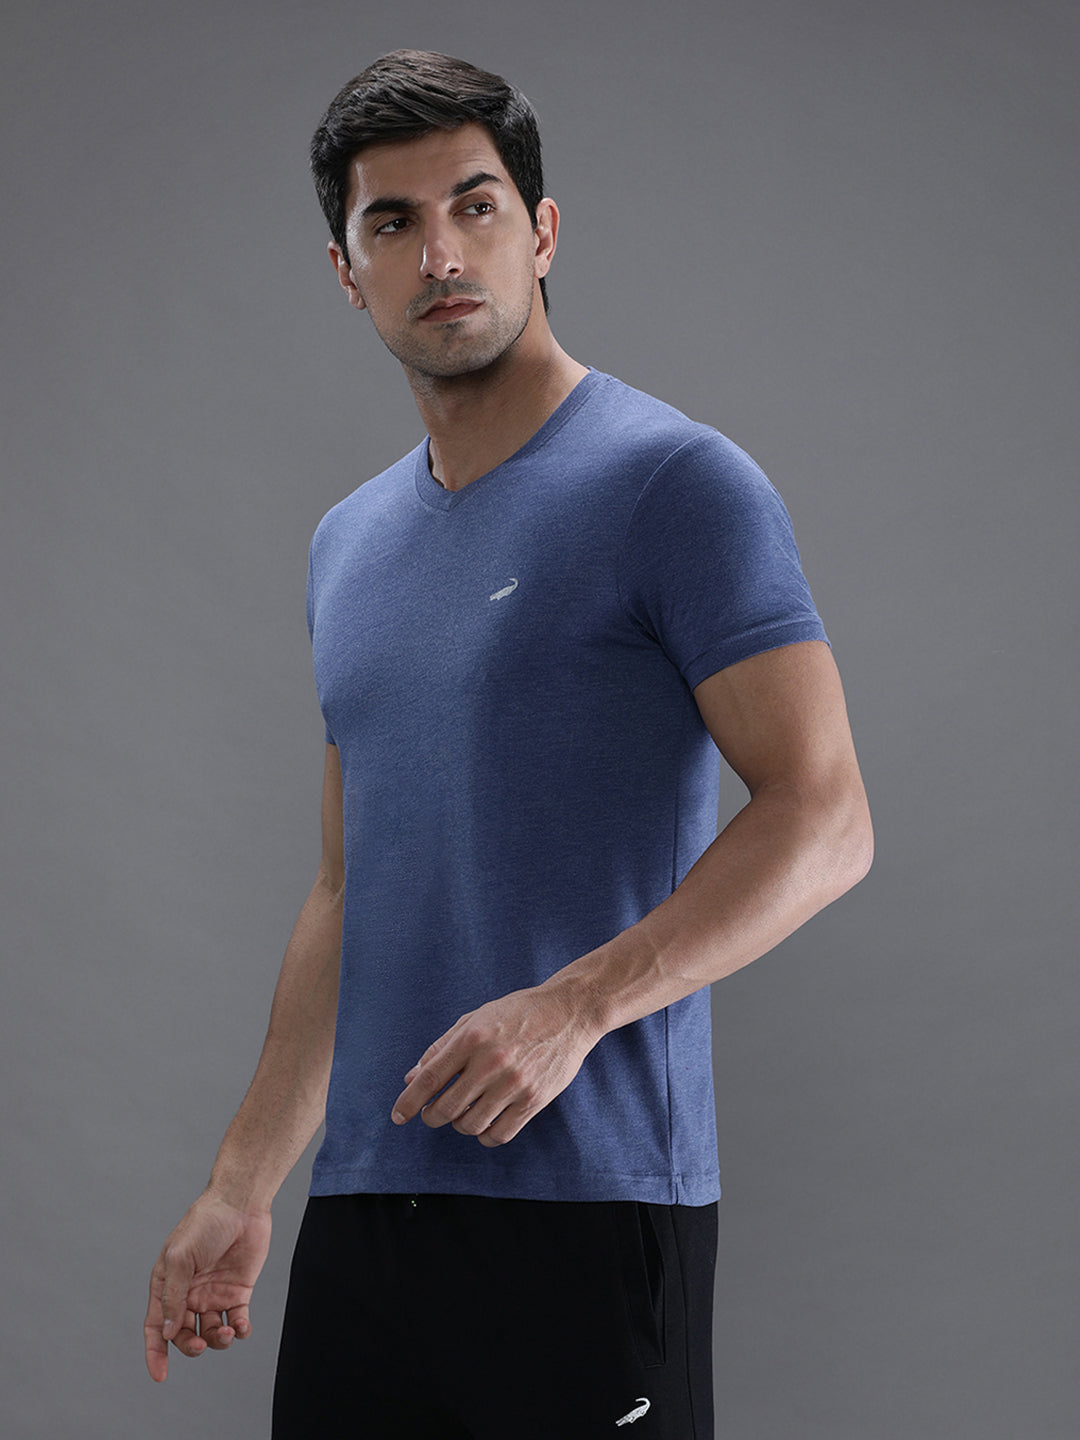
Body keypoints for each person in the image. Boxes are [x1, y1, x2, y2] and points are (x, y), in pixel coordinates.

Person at [143, 49, 873, 1439]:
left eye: (475, 207)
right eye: (393, 223)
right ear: (347, 272)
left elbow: (828, 816)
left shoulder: (675, 483)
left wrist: (575, 1007)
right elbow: (347, 891)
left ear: (541, 231)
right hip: (369, 1214)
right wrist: (242, 1183)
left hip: (589, 1205)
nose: (441, 254)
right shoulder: (347, 544)